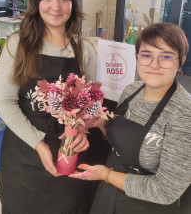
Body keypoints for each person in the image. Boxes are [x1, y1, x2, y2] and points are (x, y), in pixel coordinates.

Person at [0, 0, 96, 214]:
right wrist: (39, 144)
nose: (56, 6)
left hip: (67, 155)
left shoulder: (85, 50)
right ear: (36, 2)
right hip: (24, 156)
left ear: (72, 2)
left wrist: (83, 128)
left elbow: (90, 104)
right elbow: (4, 102)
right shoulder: (18, 45)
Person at [69, 22, 191, 214]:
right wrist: (101, 124)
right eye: (146, 55)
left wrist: (107, 175)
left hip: (148, 205)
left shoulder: (185, 115)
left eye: (166, 57)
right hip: (109, 193)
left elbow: (166, 191)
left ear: (181, 61)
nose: (154, 64)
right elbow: (123, 141)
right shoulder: (132, 90)